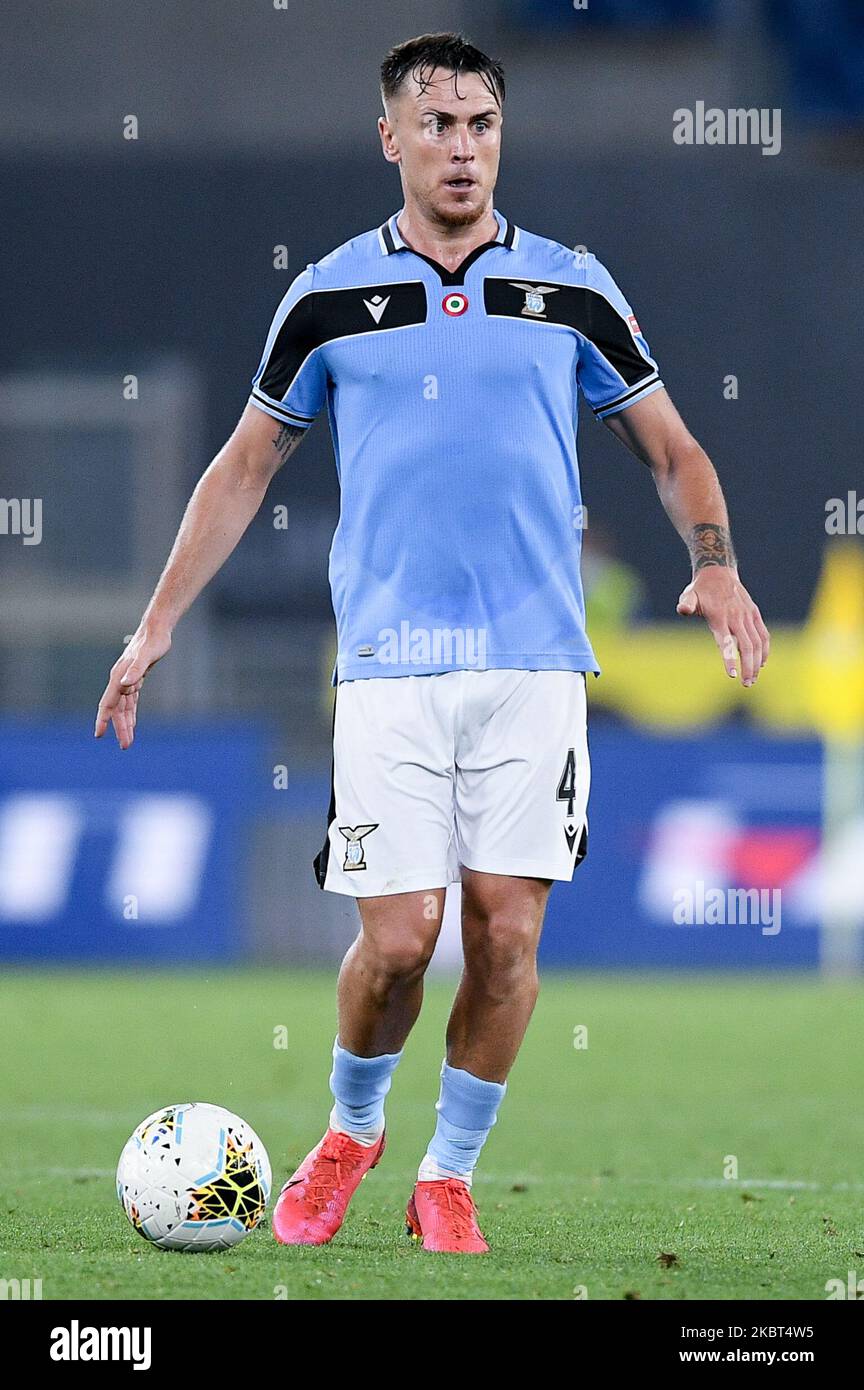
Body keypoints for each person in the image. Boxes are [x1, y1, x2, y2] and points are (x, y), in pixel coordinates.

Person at [95, 31, 770, 1254]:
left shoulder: (571, 287)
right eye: (439, 125)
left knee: (506, 930)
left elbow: (674, 449)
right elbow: (244, 468)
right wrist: (152, 627)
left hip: (533, 668)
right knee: (400, 939)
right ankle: (352, 1132)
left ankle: (447, 1173)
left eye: (482, 126)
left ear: (500, 138)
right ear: (390, 138)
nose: (463, 150)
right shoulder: (329, 296)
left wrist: (714, 569)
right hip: (391, 669)